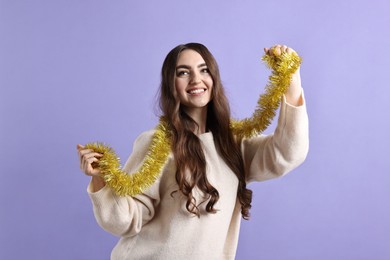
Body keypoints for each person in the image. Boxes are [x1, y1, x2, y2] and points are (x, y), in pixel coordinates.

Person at [77, 43, 309, 259]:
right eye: (183, 72)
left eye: (204, 70)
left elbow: (288, 152)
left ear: (214, 78)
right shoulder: (156, 144)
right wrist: (99, 180)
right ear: (171, 84)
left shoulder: (234, 145)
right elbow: (125, 220)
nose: (196, 79)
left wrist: (291, 79)